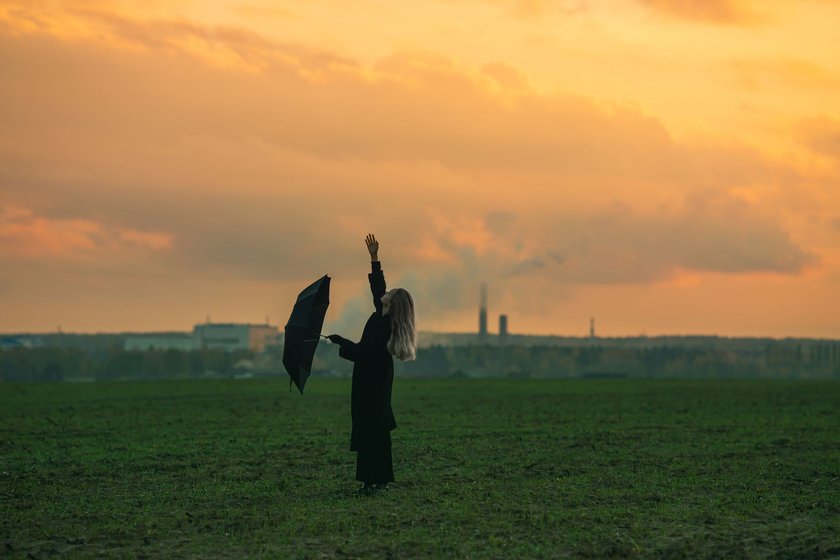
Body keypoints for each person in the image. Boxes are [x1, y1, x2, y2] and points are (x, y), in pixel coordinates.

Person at [327, 233, 417, 496]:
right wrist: (374, 258)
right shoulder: (382, 316)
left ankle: (375, 481)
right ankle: (375, 480)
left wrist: (340, 341)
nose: (384, 294)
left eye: (389, 295)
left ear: (393, 304)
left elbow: (364, 352)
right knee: (372, 432)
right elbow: (378, 288)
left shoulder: (386, 325)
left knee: (373, 432)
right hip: (371, 379)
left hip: (374, 382)